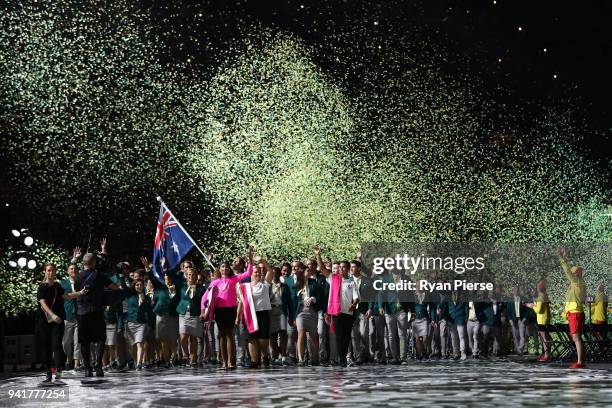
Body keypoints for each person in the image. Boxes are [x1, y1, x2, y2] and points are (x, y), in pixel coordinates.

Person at [74, 239, 122, 378]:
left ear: (83, 263)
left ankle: (87, 369)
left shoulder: (77, 277)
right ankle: (98, 367)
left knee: (84, 341)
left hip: (82, 313)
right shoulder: (99, 276)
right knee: (100, 338)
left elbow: (77, 290)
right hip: (97, 311)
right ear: (94, 262)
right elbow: (114, 287)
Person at [201, 246, 254, 369]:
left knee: (229, 334)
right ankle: (224, 361)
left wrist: (250, 258)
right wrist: (203, 311)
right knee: (221, 335)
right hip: (219, 311)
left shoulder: (234, 279)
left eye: (227, 266)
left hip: (231, 310)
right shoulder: (215, 282)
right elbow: (204, 298)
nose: (225, 268)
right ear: (219, 269)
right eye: (222, 267)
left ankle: (231, 361)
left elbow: (248, 273)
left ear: (230, 269)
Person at [37, 263, 88, 383]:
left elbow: (67, 296)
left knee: (57, 344)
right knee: (46, 346)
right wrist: (52, 315)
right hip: (45, 320)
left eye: (53, 271)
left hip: (58, 320)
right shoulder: (42, 287)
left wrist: (80, 293)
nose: (51, 273)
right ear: (45, 272)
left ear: (55, 272)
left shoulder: (57, 286)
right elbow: (43, 304)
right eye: (49, 270)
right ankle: (48, 372)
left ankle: (59, 371)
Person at [236, 259, 274, 368]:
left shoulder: (265, 284)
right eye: (254, 272)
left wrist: (263, 261)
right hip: (249, 315)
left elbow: (270, 271)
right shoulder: (244, 287)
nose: (257, 274)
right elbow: (242, 303)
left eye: (258, 272)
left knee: (262, 341)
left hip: (263, 314)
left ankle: (265, 355)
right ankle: (254, 361)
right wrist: (238, 317)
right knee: (252, 339)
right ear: (251, 274)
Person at [558, 247, 587, 369]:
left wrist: (562, 258)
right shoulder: (578, 284)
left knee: (576, 337)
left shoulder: (577, 282)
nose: (572, 273)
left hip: (575, 313)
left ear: (577, 274)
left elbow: (567, 272)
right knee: (577, 337)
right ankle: (581, 361)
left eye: (574, 272)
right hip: (574, 312)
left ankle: (580, 362)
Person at [292, 257, 322, 366]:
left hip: (312, 311)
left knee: (314, 336)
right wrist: (293, 316)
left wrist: (313, 298)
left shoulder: (314, 283)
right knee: (301, 333)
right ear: (303, 272)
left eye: (310, 271)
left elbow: (320, 296)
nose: (309, 272)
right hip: (300, 312)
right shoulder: (297, 285)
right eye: (307, 270)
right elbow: (294, 302)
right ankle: (300, 359)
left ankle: (315, 359)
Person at [177, 267, 206, 368]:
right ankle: (186, 355)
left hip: (195, 315)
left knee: (193, 338)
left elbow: (205, 302)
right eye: (189, 274)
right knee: (183, 336)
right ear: (186, 275)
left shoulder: (201, 288)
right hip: (184, 314)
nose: (191, 277)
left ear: (196, 276)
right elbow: (173, 277)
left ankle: (193, 359)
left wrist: (204, 313)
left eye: (193, 275)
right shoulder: (182, 286)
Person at [125, 279, 154, 370]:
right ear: (134, 286)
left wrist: (150, 324)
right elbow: (124, 287)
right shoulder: (130, 296)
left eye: (141, 285)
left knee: (140, 343)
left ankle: (139, 363)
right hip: (131, 322)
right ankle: (135, 360)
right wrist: (122, 276)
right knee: (132, 346)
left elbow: (150, 312)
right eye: (137, 285)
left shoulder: (147, 298)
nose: (139, 286)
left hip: (142, 323)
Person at [59, 256, 81, 371]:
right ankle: (68, 358)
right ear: (68, 271)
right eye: (71, 269)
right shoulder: (63, 284)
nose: (73, 270)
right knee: (65, 342)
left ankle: (77, 364)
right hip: (67, 316)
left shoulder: (81, 282)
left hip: (79, 316)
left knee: (78, 342)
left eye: (75, 269)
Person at [269, 267, 291, 365]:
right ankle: (275, 355)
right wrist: (274, 292)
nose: (275, 275)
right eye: (273, 273)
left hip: (281, 309)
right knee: (273, 334)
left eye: (277, 273)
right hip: (271, 309)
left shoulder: (284, 286)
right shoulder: (268, 286)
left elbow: (288, 300)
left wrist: (290, 314)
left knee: (283, 333)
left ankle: (283, 356)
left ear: (279, 274)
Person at [526, 281, 551, 362]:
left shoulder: (541, 297)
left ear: (539, 288)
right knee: (546, 337)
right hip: (545, 318)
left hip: (542, 320)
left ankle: (546, 356)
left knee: (544, 338)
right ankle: (547, 355)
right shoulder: (545, 296)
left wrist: (532, 306)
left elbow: (539, 310)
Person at [505, 287, 527, 355]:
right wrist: (510, 320)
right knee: (516, 336)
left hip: (521, 320)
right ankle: (518, 351)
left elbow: (527, 310)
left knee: (522, 336)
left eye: (518, 290)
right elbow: (508, 311)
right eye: (515, 290)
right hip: (513, 320)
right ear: (513, 291)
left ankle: (520, 348)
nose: (516, 292)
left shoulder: (524, 299)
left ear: (519, 291)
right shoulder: (510, 300)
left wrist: (525, 318)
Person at [447, 289, 468, 360]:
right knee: (453, 337)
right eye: (454, 293)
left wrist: (466, 318)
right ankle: (456, 352)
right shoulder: (448, 299)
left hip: (460, 320)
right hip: (451, 320)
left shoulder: (463, 300)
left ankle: (462, 352)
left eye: (457, 293)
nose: (455, 294)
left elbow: (466, 310)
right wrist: (439, 309)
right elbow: (442, 306)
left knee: (461, 336)